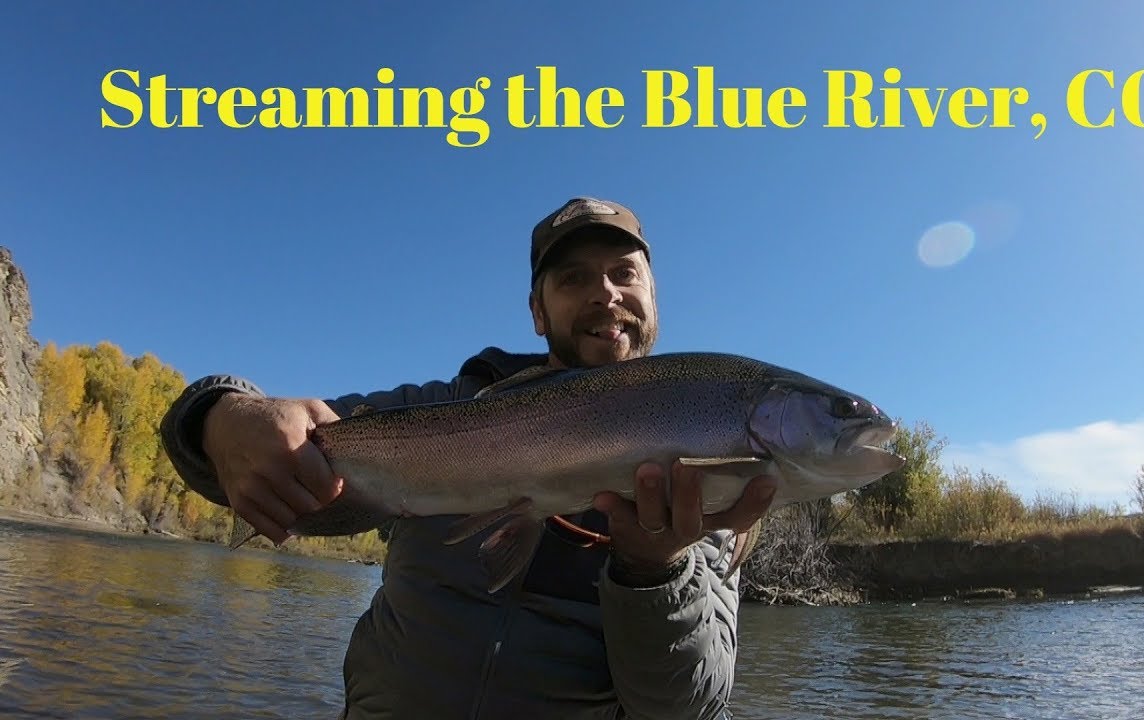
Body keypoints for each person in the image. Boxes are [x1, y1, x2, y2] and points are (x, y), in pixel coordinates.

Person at [159, 196, 779, 720]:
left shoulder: (715, 483)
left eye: (625, 273)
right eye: (573, 280)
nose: (604, 294)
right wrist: (219, 415)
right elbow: (246, 459)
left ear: (653, 298)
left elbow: (685, 708)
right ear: (537, 313)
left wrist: (654, 570)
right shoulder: (448, 408)